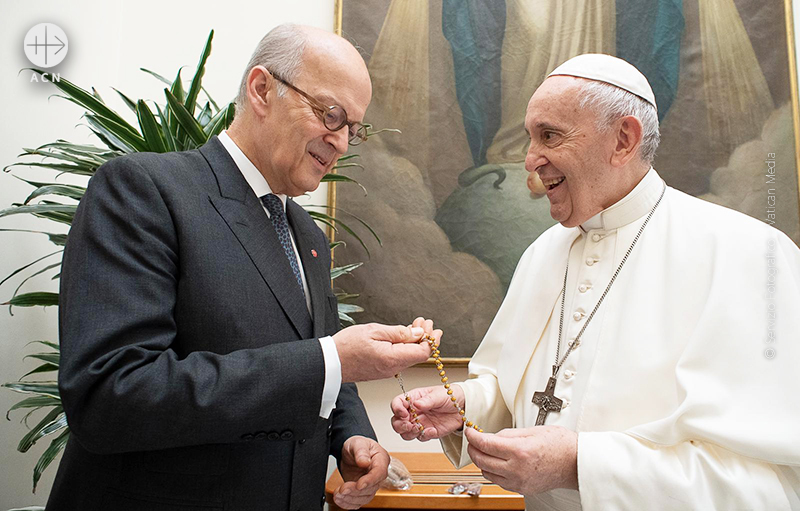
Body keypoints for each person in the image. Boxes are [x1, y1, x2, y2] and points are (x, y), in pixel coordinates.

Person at [48, 24, 441, 511]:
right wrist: (332, 360)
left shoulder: (309, 238)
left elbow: (320, 362)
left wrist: (351, 437)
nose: (340, 142)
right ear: (261, 90)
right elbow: (112, 396)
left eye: (352, 130)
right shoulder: (144, 191)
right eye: (331, 114)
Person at [391, 53, 800, 510]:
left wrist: (581, 464)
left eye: (549, 136)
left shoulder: (748, 254)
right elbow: (517, 391)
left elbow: (765, 483)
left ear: (623, 139)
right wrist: (467, 403)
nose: (529, 160)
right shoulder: (542, 254)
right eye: (530, 138)